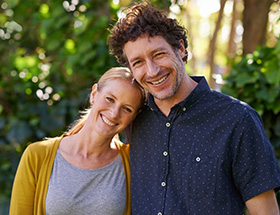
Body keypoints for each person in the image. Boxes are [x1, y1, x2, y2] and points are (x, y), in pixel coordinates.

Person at [107, 2, 280, 214]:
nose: (152, 71)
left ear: (180, 48)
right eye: (138, 62)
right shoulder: (133, 117)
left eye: (158, 54)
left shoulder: (237, 119)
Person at [9, 67, 145, 215]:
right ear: (94, 94)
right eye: (110, 99)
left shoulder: (133, 163)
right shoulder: (37, 155)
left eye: (127, 109)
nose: (114, 113)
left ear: (134, 116)